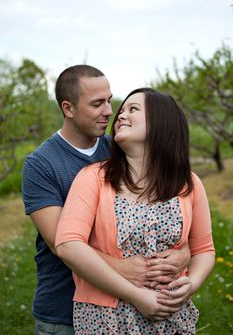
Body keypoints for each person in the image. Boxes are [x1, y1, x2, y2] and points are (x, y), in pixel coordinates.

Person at [22, 67, 190, 335]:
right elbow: (60, 243)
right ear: (68, 108)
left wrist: (184, 252)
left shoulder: (120, 148)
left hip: (124, 309)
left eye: (109, 100)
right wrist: (126, 269)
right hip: (63, 306)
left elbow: (160, 212)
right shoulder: (41, 165)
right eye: (97, 104)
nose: (110, 111)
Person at [55, 88, 215, 335]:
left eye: (133, 109)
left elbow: (204, 250)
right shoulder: (93, 179)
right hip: (106, 317)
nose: (120, 115)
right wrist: (136, 295)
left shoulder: (188, 184)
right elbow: (68, 245)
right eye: (122, 110)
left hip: (170, 315)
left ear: (161, 122)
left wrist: (190, 285)